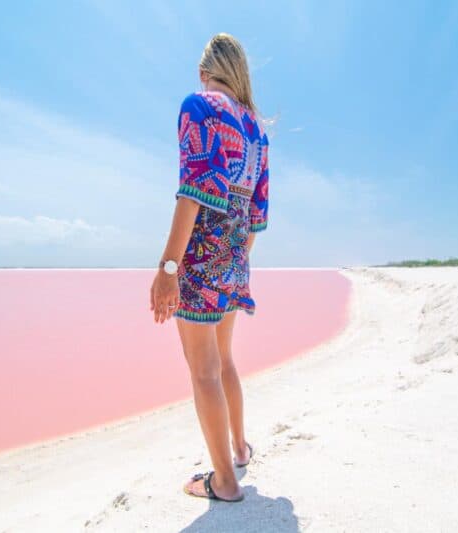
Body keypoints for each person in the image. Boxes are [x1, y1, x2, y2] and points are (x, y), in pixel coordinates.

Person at [149, 32, 271, 502]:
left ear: (205, 72)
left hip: (199, 261)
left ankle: (224, 480)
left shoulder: (199, 106)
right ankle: (239, 449)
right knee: (224, 362)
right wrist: (236, 262)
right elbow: (257, 214)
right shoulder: (257, 131)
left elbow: (194, 190)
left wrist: (169, 267)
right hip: (236, 260)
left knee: (203, 370)